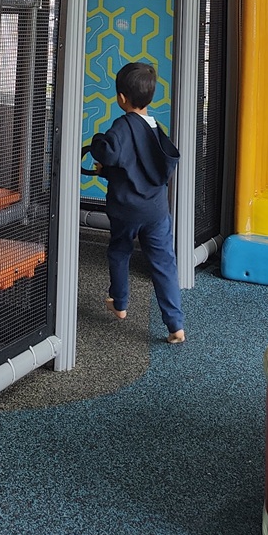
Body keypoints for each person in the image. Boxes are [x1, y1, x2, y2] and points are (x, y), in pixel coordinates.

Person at [90, 61, 185, 344]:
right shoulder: (156, 129)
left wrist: (97, 143)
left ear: (121, 98)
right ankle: (176, 325)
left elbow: (109, 154)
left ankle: (119, 304)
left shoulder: (121, 126)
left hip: (126, 210)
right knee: (164, 263)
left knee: (120, 251)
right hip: (156, 210)